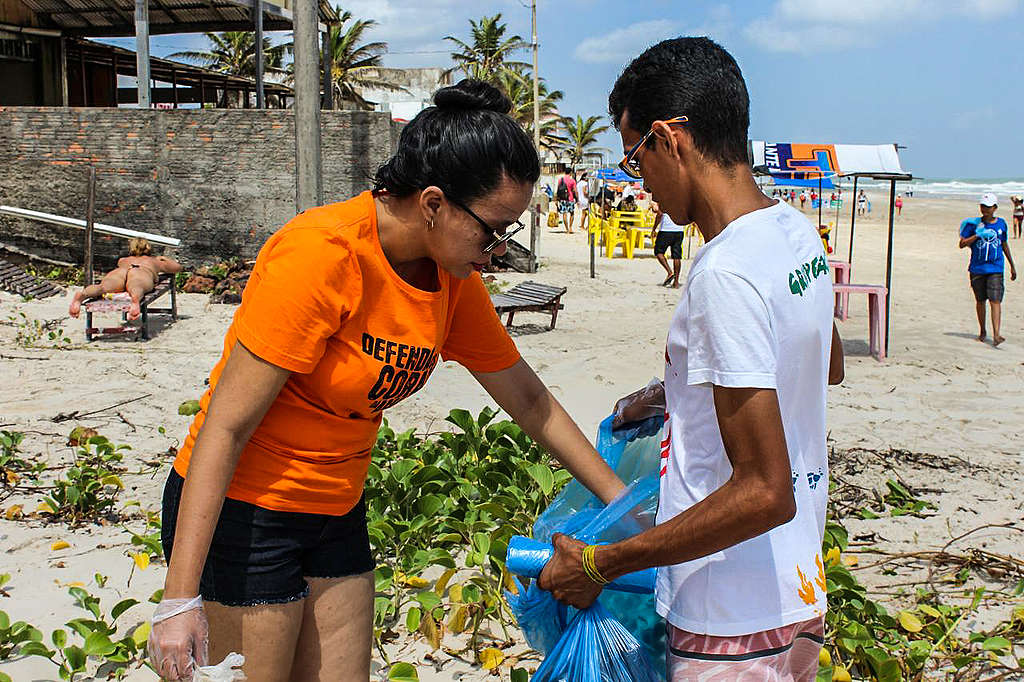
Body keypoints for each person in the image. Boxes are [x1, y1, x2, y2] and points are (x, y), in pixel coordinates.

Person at [148, 80, 625, 682]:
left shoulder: (451, 279)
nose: (496, 252)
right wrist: (178, 597)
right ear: (433, 203)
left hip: (336, 508)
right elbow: (226, 425)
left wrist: (623, 507)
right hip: (245, 513)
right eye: (492, 230)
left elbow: (529, 401)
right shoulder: (321, 257)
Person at [538, 37, 845, 681]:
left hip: (731, 613)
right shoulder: (793, 235)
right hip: (797, 591)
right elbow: (821, 360)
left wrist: (601, 563)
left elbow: (765, 492)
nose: (639, 181)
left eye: (634, 157)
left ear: (668, 137)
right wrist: (672, 392)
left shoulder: (724, 272)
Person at [68, 238, 182, 320]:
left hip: (122, 271)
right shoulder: (153, 261)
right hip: (142, 270)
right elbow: (177, 268)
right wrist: (163, 258)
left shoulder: (122, 260)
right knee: (137, 286)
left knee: (103, 287)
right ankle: (135, 300)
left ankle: (82, 295)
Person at [959, 193, 1017, 345]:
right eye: (983, 206)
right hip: (977, 269)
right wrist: (977, 236)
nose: (985, 209)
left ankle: (997, 334)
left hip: (996, 268)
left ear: (995, 208)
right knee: (980, 301)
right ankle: (983, 331)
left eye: (988, 207)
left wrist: (1012, 265)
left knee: (995, 300)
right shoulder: (973, 224)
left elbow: (1004, 244)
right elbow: (962, 243)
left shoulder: (1001, 224)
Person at [651, 202, 688, 287]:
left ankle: (669, 272)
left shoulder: (666, 200)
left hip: (666, 230)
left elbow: (659, 214)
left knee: (658, 252)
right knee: (677, 256)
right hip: (679, 230)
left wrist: (654, 228)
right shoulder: (682, 202)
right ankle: (676, 282)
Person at [555, 169, 578, 233]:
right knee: (572, 213)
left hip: (562, 199)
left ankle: (567, 229)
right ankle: (570, 227)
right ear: (570, 173)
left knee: (564, 213)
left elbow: (558, 189)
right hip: (570, 199)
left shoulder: (560, 180)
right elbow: (575, 191)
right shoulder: (572, 180)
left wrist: (556, 199)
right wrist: (577, 199)